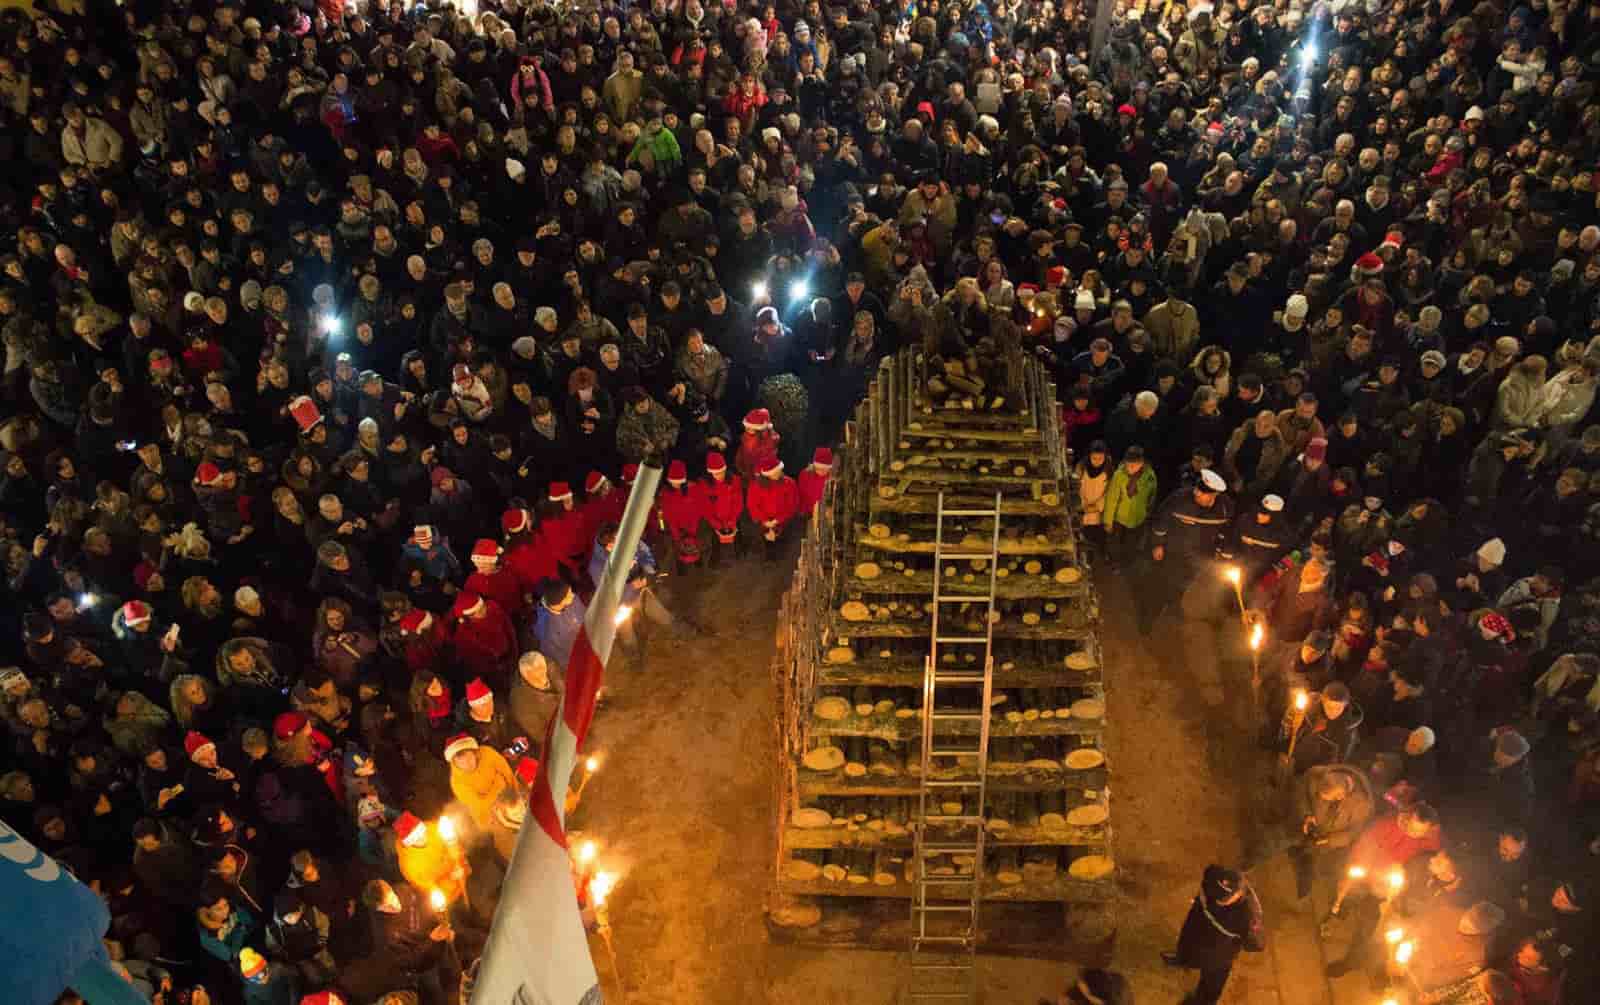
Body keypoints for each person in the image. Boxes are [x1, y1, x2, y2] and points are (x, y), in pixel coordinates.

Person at [1163, 865, 1264, 1005]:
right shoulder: (1212, 873)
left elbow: (1257, 944)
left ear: (1238, 894)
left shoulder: (1249, 915)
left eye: (1223, 899)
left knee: (1211, 984)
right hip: (1195, 930)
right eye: (1216, 894)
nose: (1217, 902)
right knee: (1186, 948)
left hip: (1217, 955)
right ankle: (1182, 959)